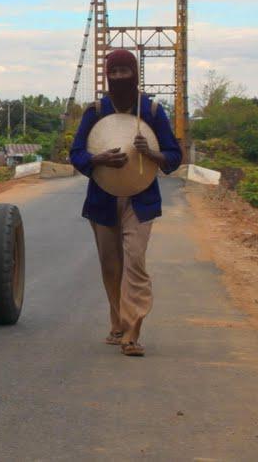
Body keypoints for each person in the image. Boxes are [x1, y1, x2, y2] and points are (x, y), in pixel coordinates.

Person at [69, 49, 182, 356]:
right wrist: (98, 159)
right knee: (110, 265)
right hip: (102, 198)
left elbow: (174, 156)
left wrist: (151, 153)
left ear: (135, 74)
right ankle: (118, 321)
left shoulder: (153, 112)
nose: (119, 77)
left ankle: (132, 332)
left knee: (135, 262)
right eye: (114, 71)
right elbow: (76, 154)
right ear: (108, 75)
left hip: (140, 199)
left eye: (125, 71)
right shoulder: (95, 111)